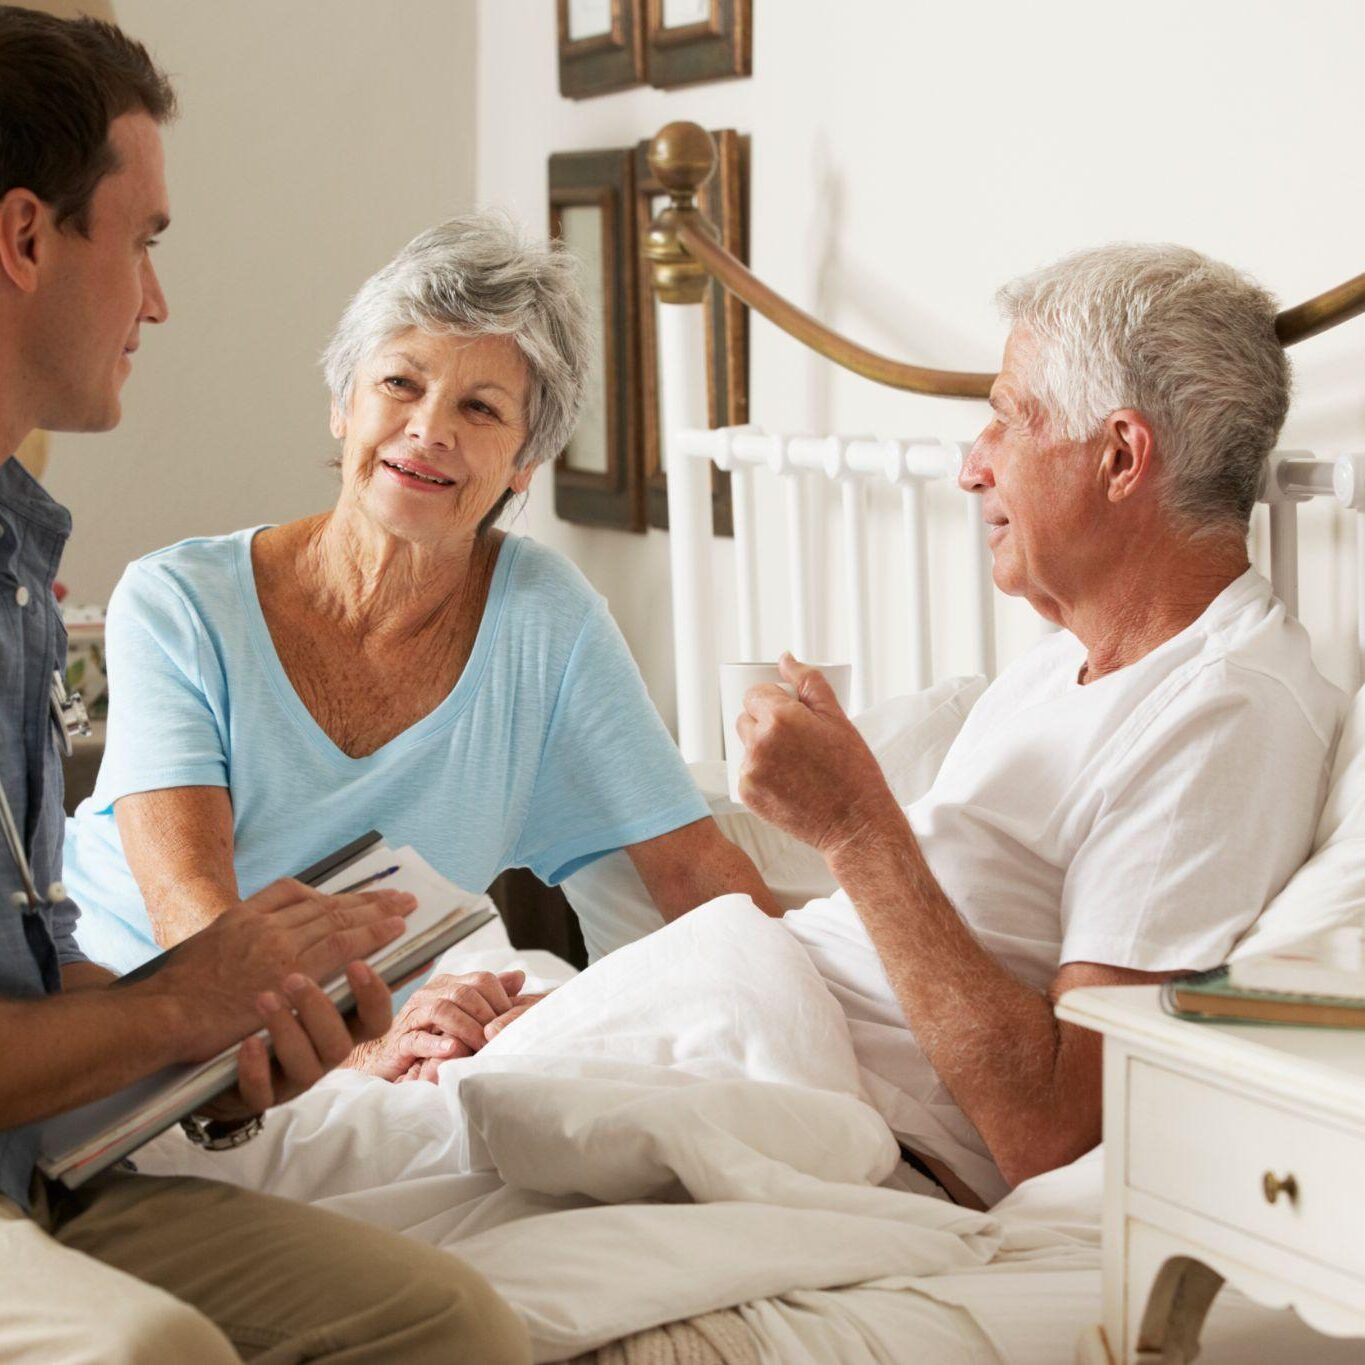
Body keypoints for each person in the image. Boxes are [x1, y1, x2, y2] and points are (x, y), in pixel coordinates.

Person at [0, 8, 530, 1359]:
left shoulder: (18, 565)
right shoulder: (184, 596)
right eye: (146, 245)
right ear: (24, 240)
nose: (158, 302)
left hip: (41, 1162)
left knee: (450, 1319)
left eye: (483, 409)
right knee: (150, 1351)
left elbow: (33, 969)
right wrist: (181, 997)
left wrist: (219, 1050)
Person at [61, 210, 776, 1070]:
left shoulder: (547, 621)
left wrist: (826, 1031)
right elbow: (196, 932)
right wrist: (365, 1053)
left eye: (479, 407)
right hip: (145, 1037)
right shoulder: (178, 602)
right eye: (400, 384)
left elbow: (695, 877)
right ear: (341, 404)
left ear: (524, 464)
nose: (430, 428)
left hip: (387, 1042)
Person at [736, 244, 1345, 1207]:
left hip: (829, 1122)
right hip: (740, 1033)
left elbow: (1056, 1132)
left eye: (1008, 419)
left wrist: (855, 827)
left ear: (1119, 457)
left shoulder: (1223, 714)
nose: (970, 467)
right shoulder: (1055, 668)